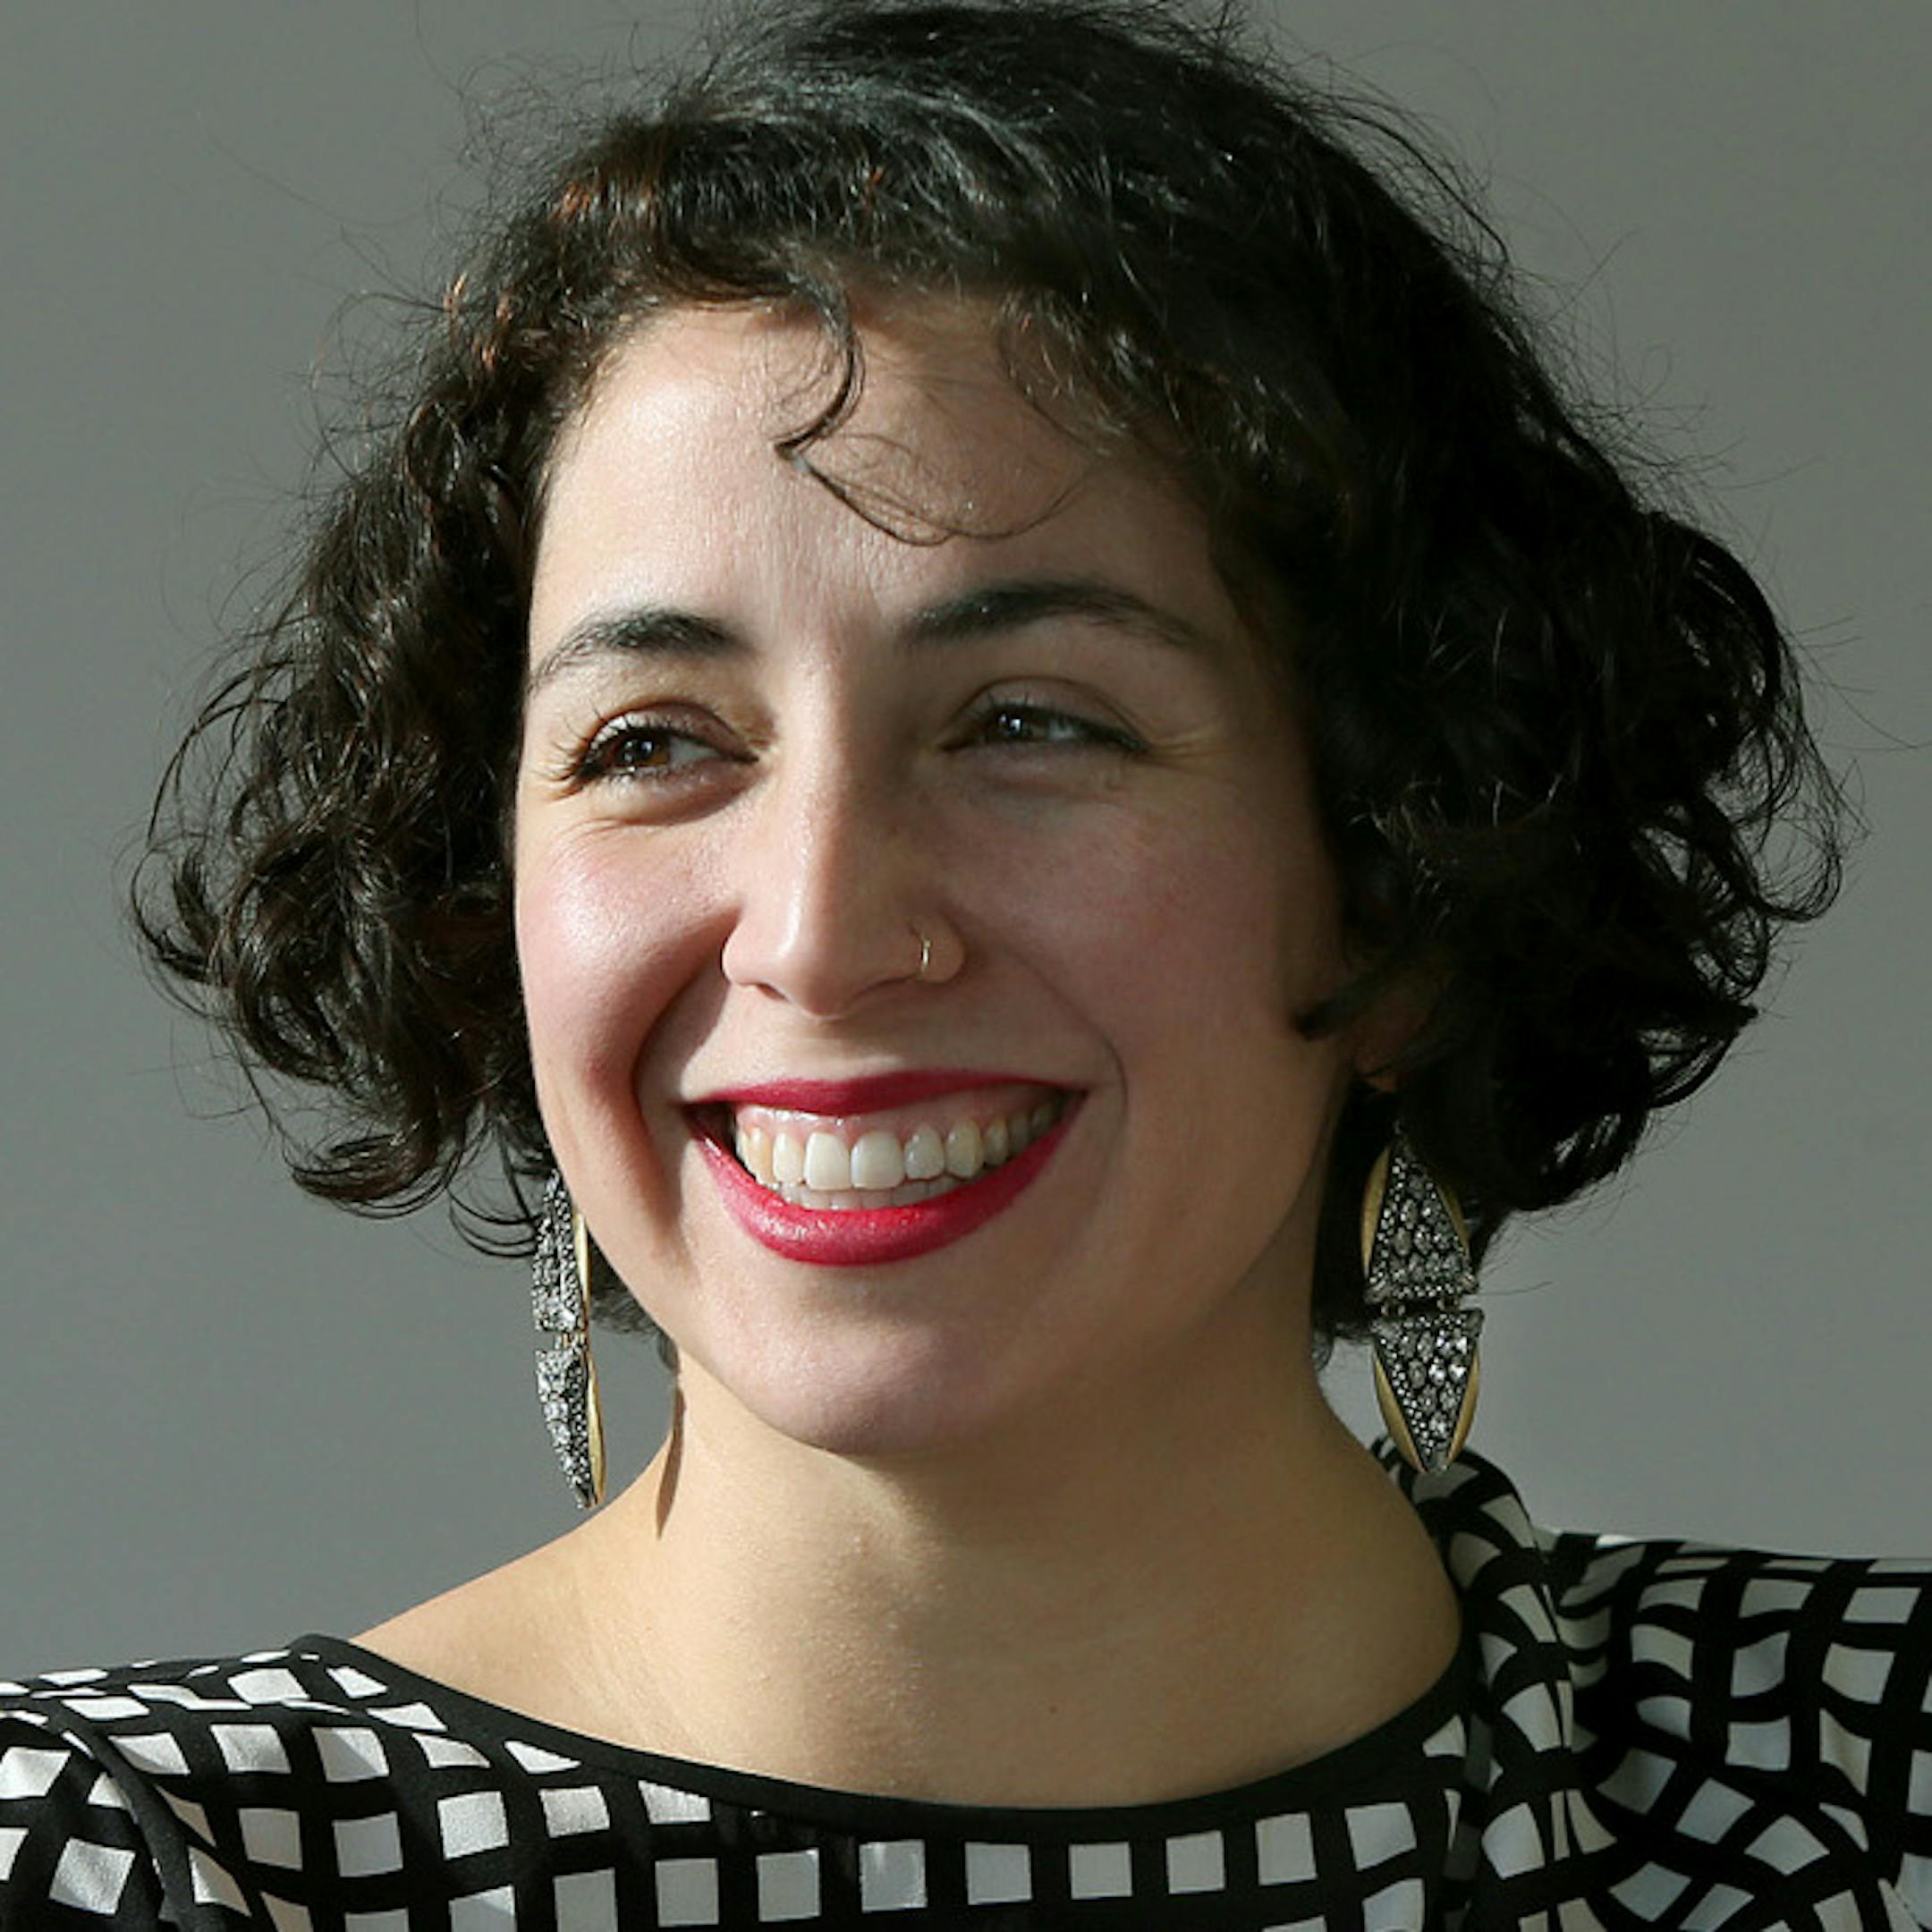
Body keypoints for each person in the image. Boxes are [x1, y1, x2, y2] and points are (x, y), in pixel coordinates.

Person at [2, 1, 1926, 1925]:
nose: (823, 936)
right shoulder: (104, 1872)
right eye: (654, 742)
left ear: (1415, 870)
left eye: (1032, 721)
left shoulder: (1877, 1778)